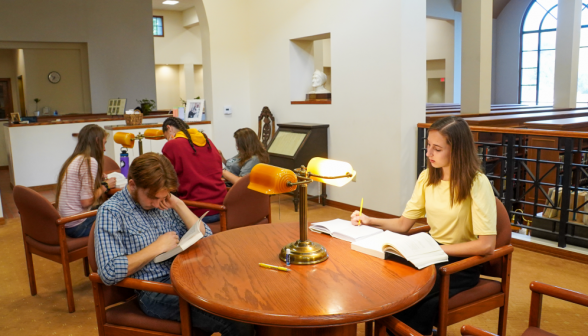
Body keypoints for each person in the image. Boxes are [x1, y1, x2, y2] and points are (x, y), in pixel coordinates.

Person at [350, 116, 497, 336]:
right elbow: (403, 224)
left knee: (408, 295)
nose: (428, 154)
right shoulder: (427, 177)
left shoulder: (477, 183)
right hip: (431, 252)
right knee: (385, 276)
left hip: (461, 263)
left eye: (437, 149)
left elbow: (486, 245)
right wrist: (371, 220)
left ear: (457, 150)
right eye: (428, 146)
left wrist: (438, 249)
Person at [94, 153, 254, 336]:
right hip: (155, 291)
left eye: (164, 196)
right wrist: (156, 247)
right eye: (152, 197)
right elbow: (109, 271)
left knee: (245, 300)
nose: (157, 203)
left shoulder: (163, 202)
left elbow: (206, 237)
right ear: (132, 185)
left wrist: (178, 204)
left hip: (187, 276)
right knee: (237, 322)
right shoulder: (111, 212)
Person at [161, 117, 226, 224]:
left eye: (166, 136)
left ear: (169, 128)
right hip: (221, 208)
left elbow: (166, 179)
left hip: (196, 211)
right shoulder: (207, 140)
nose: (167, 139)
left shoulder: (172, 145)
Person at [56, 124, 116, 238]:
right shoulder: (89, 162)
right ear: (97, 141)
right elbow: (86, 202)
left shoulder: (76, 158)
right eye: (104, 143)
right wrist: (105, 186)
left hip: (66, 222)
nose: (104, 149)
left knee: (110, 208)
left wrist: (97, 177)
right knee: (119, 216)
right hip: (77, 225)